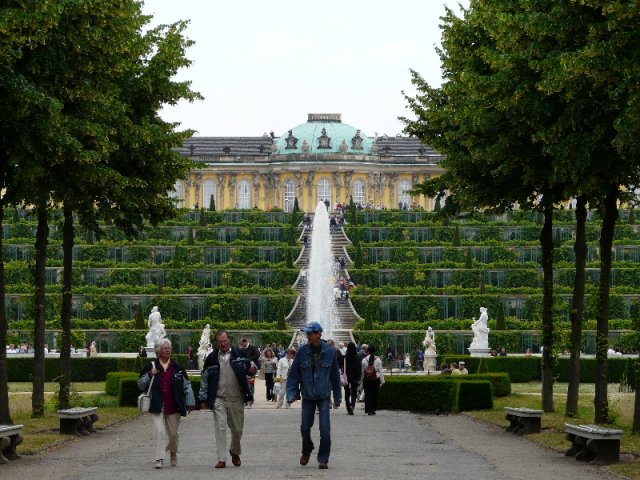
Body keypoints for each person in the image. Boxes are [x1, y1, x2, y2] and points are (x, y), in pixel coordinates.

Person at [287, 321, 342, 470]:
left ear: (319, 334)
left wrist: (337, 398)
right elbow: (293, 376)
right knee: (305, 428)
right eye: (307, 333)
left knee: (325, 430)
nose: (308, 336)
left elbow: (335, 377)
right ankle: (307, 448)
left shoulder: (330, 352)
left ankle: (323, 458)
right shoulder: (302, 351)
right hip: (308, 396)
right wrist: (291, 394)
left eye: (310, 333)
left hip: (324, 396)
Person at [199, 330, 256, 469]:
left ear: (229, 340)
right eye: (220, 342)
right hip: (219, 398)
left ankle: (234, 451)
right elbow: (205, 378)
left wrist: (251, 369)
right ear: (216, 343)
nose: (223, 344)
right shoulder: (211, 357)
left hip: (236, 398)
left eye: (224, 341)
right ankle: (221, 459)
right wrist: (203, 397)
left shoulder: (239, 354)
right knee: (221, 427)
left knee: (237, 430)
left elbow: (252, 367)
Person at [138, 338, 195, 469]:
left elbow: (187, 385)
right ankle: (159, 458)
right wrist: (149, 375)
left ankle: (173, 453)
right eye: (165, 348)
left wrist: (190, 401)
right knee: (159, 432)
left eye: (169, 348)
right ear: (158, 351)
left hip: (174, 405)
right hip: (156, 405)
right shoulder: (150, 366)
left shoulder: (177, 367)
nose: (168, 350)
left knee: (173, 435)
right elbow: (140, 385)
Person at [361, 345, 384, 415]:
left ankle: (368, 410)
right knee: (374, 395)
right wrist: (382, 380)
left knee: (367, 395)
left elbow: (362, 372)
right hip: (375, 379)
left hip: (367, 379)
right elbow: (380, 371)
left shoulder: (364, 359)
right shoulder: (378, 359)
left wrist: (362, 380)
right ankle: (373, 409)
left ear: (368, 351)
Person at [238, 338, 261, 405]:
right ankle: (246, 398)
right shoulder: (242, 349)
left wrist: (248, 359)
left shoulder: (253, 348)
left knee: (251, 384)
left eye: (242, 344)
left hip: (252, 368)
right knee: (244, 384)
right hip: (244, 369)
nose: (241, 345)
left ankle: (251, 398)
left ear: (245, 342)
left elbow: (257, 355)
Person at [341, 342, 361, 415]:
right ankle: (352, 405)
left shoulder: (345, 357)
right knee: (354, 393)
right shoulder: (357, 357)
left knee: (347, 393)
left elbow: (343, 368)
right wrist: (359, 378)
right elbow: (359, 368)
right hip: (355, 377)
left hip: (347, 377)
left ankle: (348, 407)